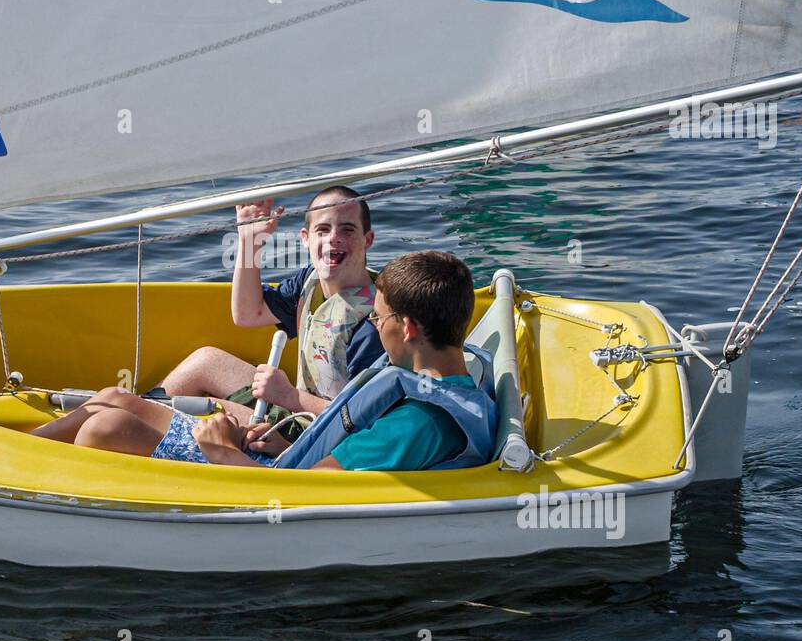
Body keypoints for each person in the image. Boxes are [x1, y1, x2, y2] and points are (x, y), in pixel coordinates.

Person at [32, 251, 496, 472]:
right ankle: (20, 450)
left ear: (408, 327)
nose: (374, 326)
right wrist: (279, 445)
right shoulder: (447, 381)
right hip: (276, 459)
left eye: (378, 317)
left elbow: (310, 496)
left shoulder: (417, 425)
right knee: (116, 399)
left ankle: (37, 491)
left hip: (260, 482)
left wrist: (222, 451)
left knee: (106, 427)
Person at [157, 186, 384, 436]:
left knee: (209, 411)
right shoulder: (309, 282)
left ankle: (137, 419)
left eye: (347, 229)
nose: (333, 238)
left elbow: (365, 419)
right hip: (295, 406)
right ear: (306, 238)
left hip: (317, 435)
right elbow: (247, 314)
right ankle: (141, 408)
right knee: (206, 361)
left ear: (368, 240)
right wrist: (249, 241)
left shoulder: (374, 324)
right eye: (323, 229)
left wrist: (289, 396)